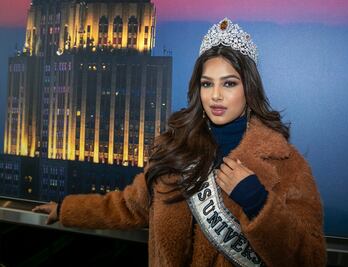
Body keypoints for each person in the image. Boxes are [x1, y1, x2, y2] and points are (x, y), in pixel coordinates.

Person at [33, 18, 326, 267]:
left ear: (248, 89)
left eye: (229, 83)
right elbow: (129, 205)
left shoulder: (286, 165)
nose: (216, 96)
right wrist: (66, 210)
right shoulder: (174, 148)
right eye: (207, 83)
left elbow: (311, 259)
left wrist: (258, 202)